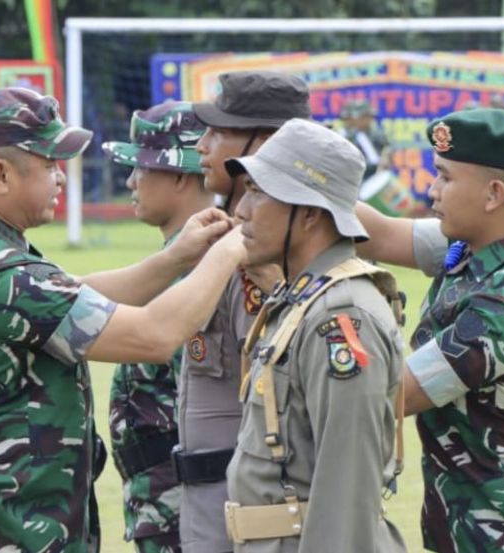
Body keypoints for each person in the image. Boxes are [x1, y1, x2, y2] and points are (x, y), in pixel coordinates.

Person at [0, 87, 246, 553]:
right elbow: (154, 337)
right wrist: (232, 248)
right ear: (0, 174)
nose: (61, 178)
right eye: (49, 164)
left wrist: (175, 259)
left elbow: (73, 293)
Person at [361, 108, 504, 552]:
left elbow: (390, 394)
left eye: (445, 178)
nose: (432, 191)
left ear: (493, 195)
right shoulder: (503, 239)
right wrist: (293, 180)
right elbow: (376, 234)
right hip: (478, 521)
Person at [222, 118, 407, 552]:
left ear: (308, 213)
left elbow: (347, 485)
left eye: (258, 192)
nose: (240, 211)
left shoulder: (341, 317)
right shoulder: (304, 299)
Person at [168, 70, 310, 553]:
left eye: (218, 132)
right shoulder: (222, 242)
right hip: (207, 504)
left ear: (265, 143)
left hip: (249, 514)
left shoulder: (264, 260)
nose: (202, 146)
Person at [102, 101, 214, 552]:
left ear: (181, 177)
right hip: (165, 498)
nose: (130, 181)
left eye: (141, 169)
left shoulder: (206, 273)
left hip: (187, 503)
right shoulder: (181, 265)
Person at [348, 99, 391, 179]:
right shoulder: (348, 137)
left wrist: (386, 159)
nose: (369, 119)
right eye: (365, 117)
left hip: (377, 176)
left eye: (370, 116)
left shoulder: (378, 135)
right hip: (359, 179)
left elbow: (387, 150)